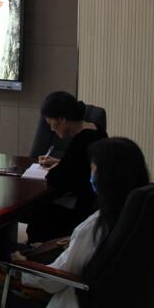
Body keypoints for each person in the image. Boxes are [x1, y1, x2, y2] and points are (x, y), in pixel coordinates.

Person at [0, 137, 150, 308]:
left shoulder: (96, 226)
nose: (90, 176)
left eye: (93, 171)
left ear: (107, 179)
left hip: (69, 299)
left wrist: (23, 265)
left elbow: (53, 281)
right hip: (112, 302)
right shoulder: (136, 216)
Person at [26, 91, 107, 243]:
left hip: (81, 212)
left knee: (39, 215)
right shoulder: (97, 130)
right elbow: (81, 167)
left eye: (51, 123)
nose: (51, 129)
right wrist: (59, 162)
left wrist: (58, 167)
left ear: (62, 119)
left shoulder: (81, 140)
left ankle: (36, 252)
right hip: (95, 207)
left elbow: (56, 178)